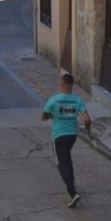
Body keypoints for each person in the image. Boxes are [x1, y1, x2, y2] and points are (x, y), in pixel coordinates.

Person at [42, 74, 92, 208]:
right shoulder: (78, 100)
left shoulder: (54, 100)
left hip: (58, 136)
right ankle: (72, 186)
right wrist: (87, 127)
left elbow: (43, 116)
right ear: (72, 85)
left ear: (61, 84)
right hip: (72, 136)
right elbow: (87, 119)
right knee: (67, 160)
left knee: (62, 165)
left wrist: (52, 115)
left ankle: (72, 193)